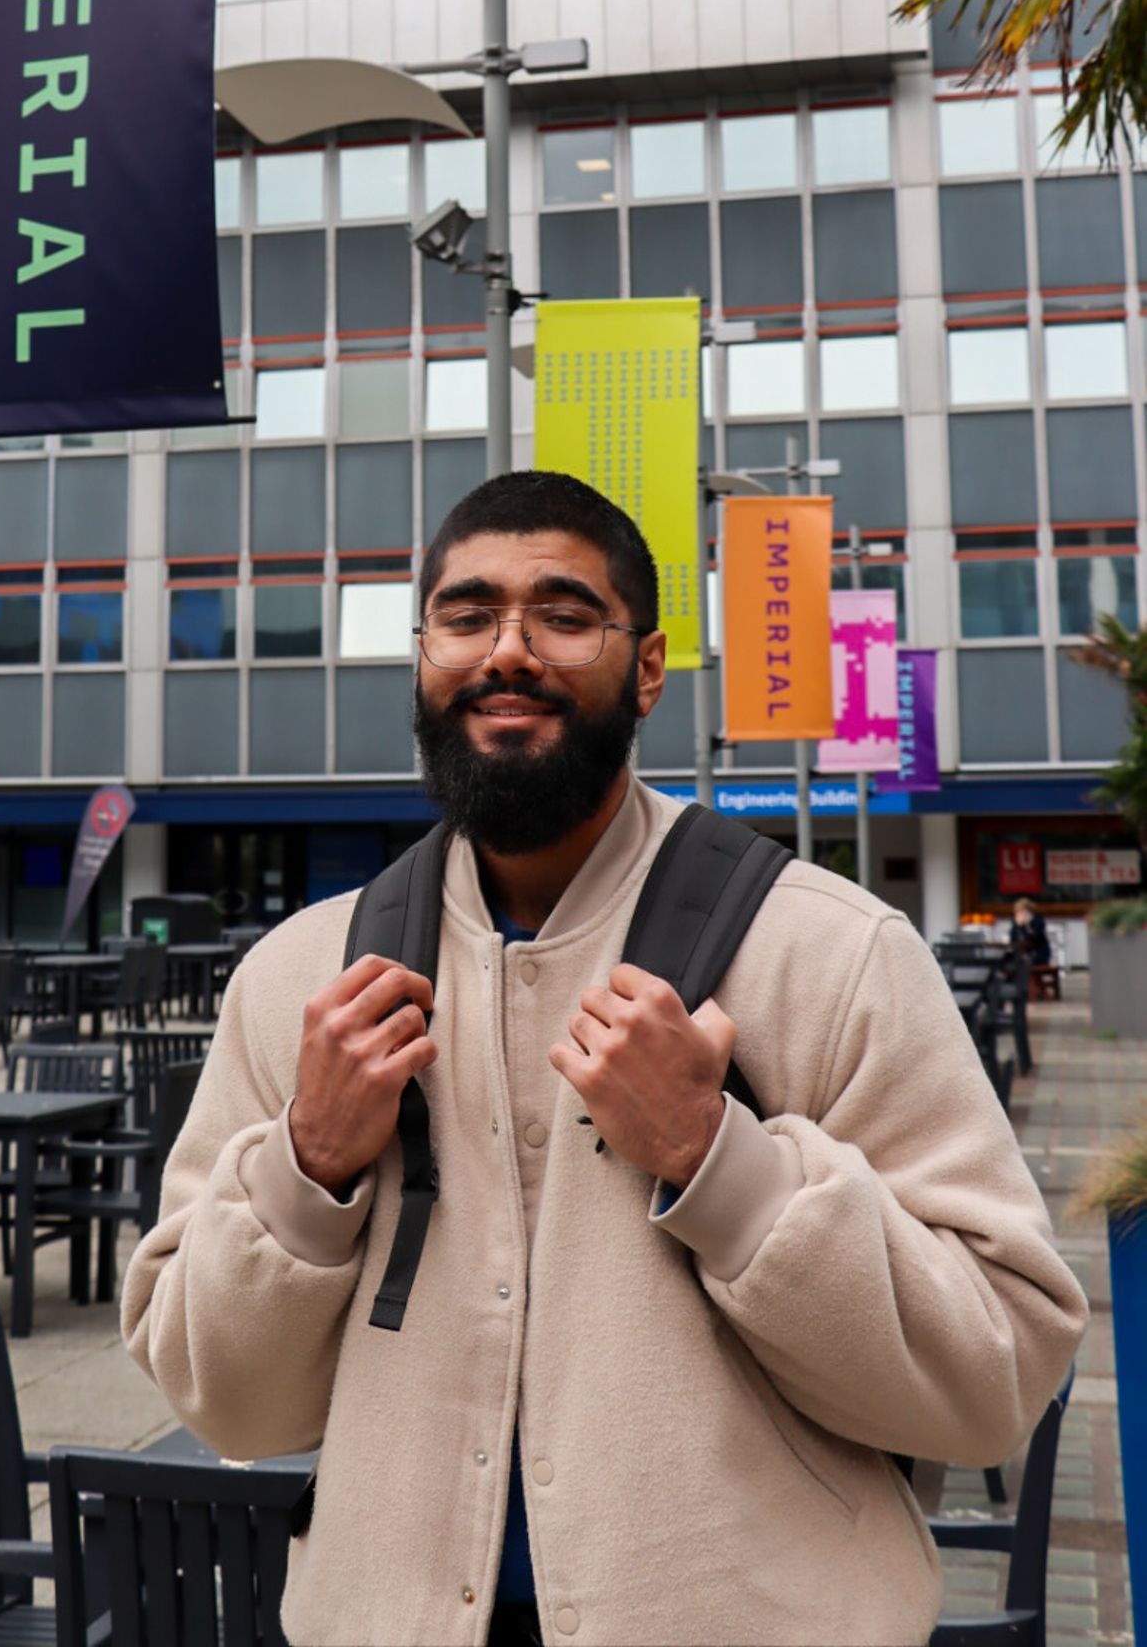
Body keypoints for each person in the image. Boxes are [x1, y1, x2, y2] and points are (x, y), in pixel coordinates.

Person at [122, 471, 1086, 1647]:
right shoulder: (300, 981)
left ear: (648, 665)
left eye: (565, 614)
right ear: (420, 653)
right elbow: (227, 1400)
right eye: (466, 615)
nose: (508, 650)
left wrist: (718, 1161)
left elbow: (1000, 1374)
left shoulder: (830, 953)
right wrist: (308, 1167)